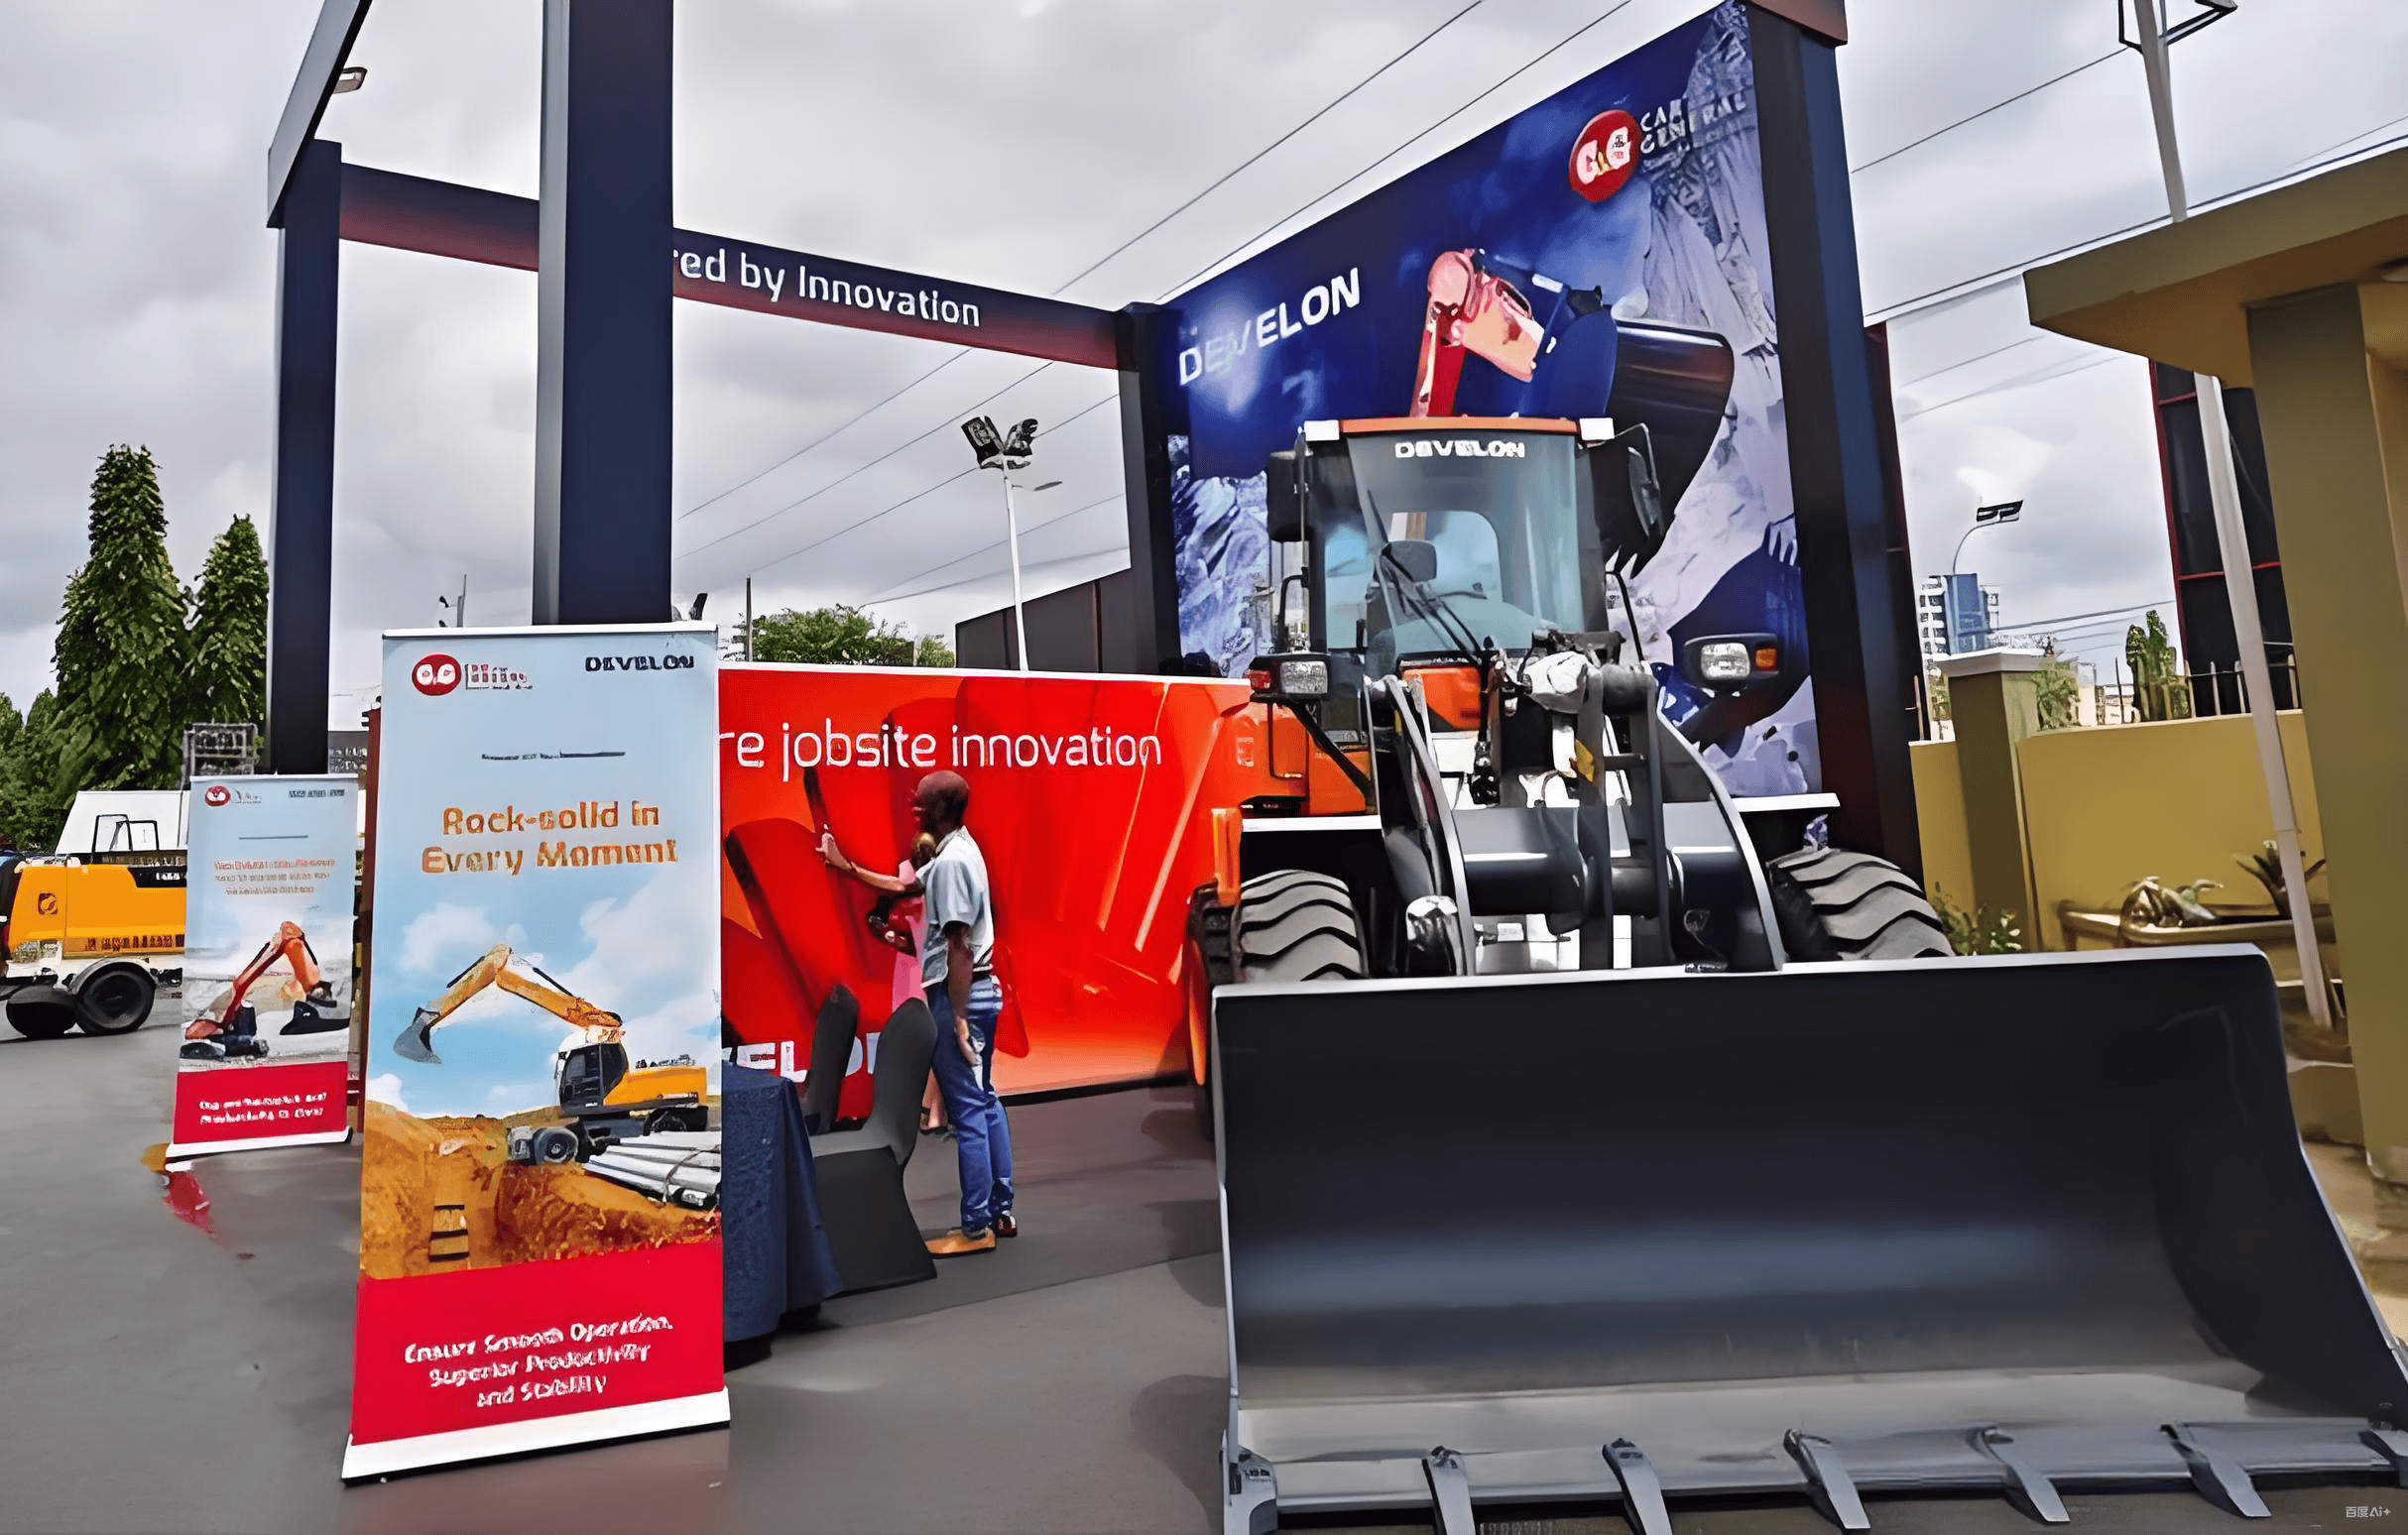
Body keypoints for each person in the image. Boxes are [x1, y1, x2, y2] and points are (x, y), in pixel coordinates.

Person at [821, 770, 1015, 1253]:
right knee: (984, 1101)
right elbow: (902, 886)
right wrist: (848, 868)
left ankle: (976, 1228)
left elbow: (959, 946)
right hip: (978, 991)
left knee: (967, 1112)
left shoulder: (950, 863)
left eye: (922, 801)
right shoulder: (958, 851)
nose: (913, 806)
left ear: (943, 809)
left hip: (960, 996)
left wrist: (959, 1018)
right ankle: (999, 1210)